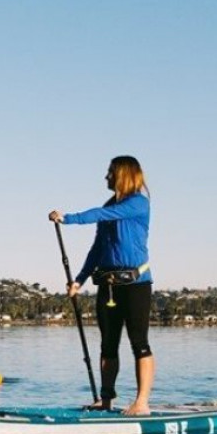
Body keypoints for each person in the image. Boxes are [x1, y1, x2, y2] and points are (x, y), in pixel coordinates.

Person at [48, 156, 154, 415]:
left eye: (110, 172)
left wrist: (68, 218)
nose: (106, 177)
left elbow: (100, 214)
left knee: (139, 343)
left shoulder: (138, 203)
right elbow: (98, 248)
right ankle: (106, 400)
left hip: (135, 285)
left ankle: (141, 403)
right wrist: (79, 280)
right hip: (107, 286)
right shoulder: (111, 205)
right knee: (108, 345)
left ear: (124, 174)